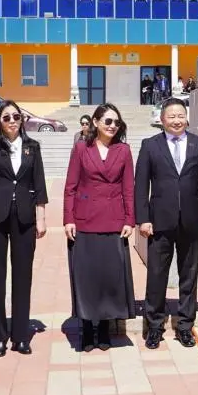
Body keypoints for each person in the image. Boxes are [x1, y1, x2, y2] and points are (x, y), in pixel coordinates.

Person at [136, 97, 198, 349]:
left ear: (187, 118)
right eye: (171, 116)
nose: (176, 120)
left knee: (189, 274)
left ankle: (185, 326)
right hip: (159, 221)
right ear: (162, 120)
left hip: (191, 221)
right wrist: (143, 218)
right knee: (156, 274)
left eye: (180, 116)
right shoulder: (150, 146)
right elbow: (141, 186)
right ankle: (154, 326)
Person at [0, 100, 48, 356]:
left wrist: (41, 217)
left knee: (22, 277)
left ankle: (20, 335)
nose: (13, 121)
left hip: (24, 217)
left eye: (17, 116)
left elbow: (39, 184)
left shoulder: (32, 147)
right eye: (7, 117)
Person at [63, 103, 136, 352]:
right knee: (87, 278)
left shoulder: (124, 150)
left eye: (116, 122)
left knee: (108, 277)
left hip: (114, 221)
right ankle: (85, 328)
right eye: (107, 121)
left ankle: (104, 328)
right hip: (85, 221)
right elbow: (70, 186)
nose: (112, 126)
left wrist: (129, 220)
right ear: (95, 122)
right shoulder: (81, 148)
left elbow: (129, 188)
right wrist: (68, 219)